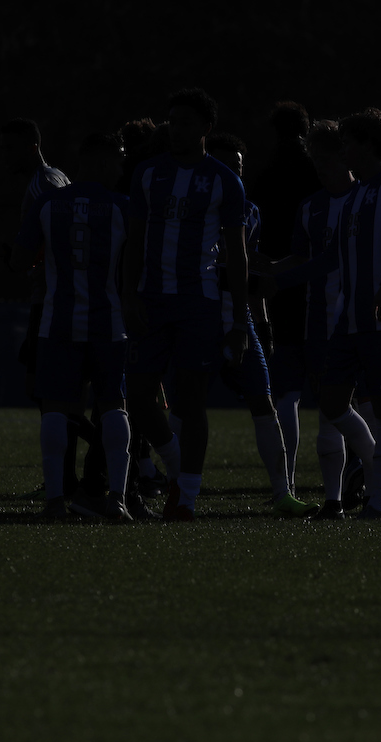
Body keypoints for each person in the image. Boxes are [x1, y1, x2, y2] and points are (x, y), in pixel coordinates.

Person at [275, 109, 381, 519]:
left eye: (349, 143)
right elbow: (329, 259)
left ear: (369, 145)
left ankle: (376, 503)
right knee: (333, 402)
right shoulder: (353, 197)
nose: (343, 152)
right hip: (348, 319)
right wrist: (277, 280)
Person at [121, 88, 250, 522]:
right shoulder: (146, 172)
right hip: (151, 302)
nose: (177, 129)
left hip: (200, 304)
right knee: (138, 395)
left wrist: (240, 321)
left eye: (187, 122)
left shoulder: (224, 180)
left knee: (190, 402)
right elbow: (134, 240)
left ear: (205, 129)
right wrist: (129, 293)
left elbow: (237, 254)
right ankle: (179, 471)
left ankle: (186, 498)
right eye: (172, 121)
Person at [12, 133, 137, 521]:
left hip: (57, 322)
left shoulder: (48, 203)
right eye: (118, 159)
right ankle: (116, 499)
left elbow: (19, 261)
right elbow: (134, 270)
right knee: (113, 406)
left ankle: (54, 502)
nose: (121, 167)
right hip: (109, 323)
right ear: (98, 160)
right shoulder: (123, 206)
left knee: (56, 410)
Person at [206, 132, 317, 517]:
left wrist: (261, 321)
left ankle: (282, 490)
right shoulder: (190, 207)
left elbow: (247, 270)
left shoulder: (249, 211)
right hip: (194, 315)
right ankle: (163, 483)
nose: (233, 172)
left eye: (237, 165)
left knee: (263, 400)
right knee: (181, 401)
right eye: (225, 164)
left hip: (238, 316)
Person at [271, 120, 355, 519]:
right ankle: (336, 500)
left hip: (371, 319)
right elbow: (301, 259)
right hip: (321, 325)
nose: (320, 168)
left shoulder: (368, 197)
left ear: (347, 157)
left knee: (375, 409)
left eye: (327, 160)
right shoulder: (311, 206)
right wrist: (266, 271)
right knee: (330, 413)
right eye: (315, 161)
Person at [251, 102, 322, 491]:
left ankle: (287, 482)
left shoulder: (266, 174)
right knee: (335, 394)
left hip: (279, 286)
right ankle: (350, 482)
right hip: (321, 289)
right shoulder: (319, 173)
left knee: (287, 392)